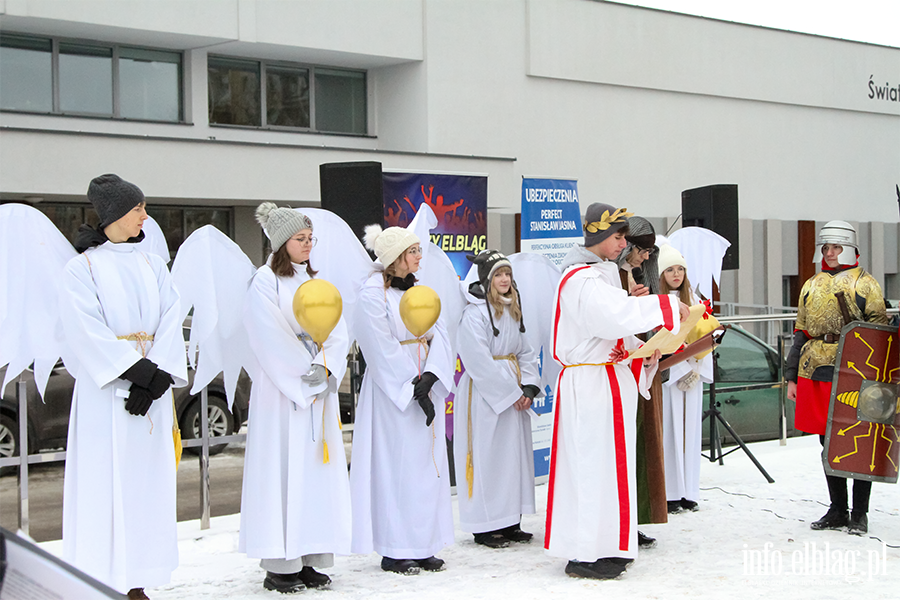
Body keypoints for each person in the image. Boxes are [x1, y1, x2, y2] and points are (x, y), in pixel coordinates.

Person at [59, 174, 188, 600]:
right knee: (107, 484)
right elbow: (83, 330)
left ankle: (136, 577)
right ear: (114, 214)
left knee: (145, 487)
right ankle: (102, 577)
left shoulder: (152, 263)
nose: (145, 217)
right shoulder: (83, 268)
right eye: (138, 209)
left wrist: (156, 377)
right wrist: (135, 371)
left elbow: (172, 317)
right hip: (107, 397)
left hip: (148, 393)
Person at [545, 202, 689, 580]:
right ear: (599, 237)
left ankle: (607, 545)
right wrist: (666, 306)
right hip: (591, 385)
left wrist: (643, 352)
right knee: (593, 466)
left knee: (610, 467)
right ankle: (586, 552)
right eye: (619, 236)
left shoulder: (603, 275)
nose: (624, 243)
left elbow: (616, 326)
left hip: (608, 379)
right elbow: (610, 316)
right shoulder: (580, 278)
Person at [239, 203, 351, 593]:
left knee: (313, 476)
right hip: (282, 391)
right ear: (281, 243)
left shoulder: (317, 281)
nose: (307, 245)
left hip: (317, 389)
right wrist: (301, 374)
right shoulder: (264, 281)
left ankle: (310, 555)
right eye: (300, 239)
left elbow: (338, 328)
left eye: (309, 239)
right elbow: (265, 334)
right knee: (284, 471)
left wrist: (328, 366)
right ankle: (280, 564)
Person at [350, 224, 454, 574]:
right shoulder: (371, 294)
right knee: (397, 466)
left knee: (427, 465)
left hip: (425, 381)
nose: (420, 257)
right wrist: (411, 387)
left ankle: (424, 543)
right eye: (414, 252)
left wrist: (433, 377)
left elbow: (441, 331)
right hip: (392, 393)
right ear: (395, 258)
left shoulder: (420, 290)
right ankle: (396, 547)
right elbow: (377, 345)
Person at [785, 220, 887, 535]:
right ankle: (837, 509)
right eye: (826, 247)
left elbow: (879, 332)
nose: (829, 253)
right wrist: (791, 375)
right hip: (815, 368)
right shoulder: (811, 284)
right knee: (827, 440)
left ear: (849, 247)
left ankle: (859, 513)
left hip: (858, 369)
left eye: (835, 247)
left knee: (859, 439)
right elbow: (801, 332)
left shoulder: (866, 284)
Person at [454, 250, 540, 549]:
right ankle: (486, 524)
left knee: (512, 457)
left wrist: (528, 386)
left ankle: (510, 520)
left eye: (508, 274)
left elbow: (526, 350)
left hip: (514, 390)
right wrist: (510, 393)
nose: (505, 280)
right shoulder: (474, 314)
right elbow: (477, 360)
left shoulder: (513, 309)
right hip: (485, 396)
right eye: (499, 275)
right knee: (488, 456)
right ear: (487, 280)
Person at [615, 216, 668, 539]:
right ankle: (622, 521)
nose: (646, 258)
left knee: (641, 447)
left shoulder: (633, 275)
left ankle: (634, 518)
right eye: (642, 251)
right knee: (624, 448)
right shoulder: (609, 278)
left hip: (643, 371)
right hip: (619, 372)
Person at [658, 244, 712, 514]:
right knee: (670, 431)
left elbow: (706, 335)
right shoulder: (658, 302)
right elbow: (662, 340)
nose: (676, 274)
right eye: (670, 269)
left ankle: (689, 490)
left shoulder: (694, 297)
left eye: (680, 269)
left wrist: (698, 367)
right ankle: (670, 492)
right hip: (672, 377)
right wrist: (679, 369)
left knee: (690, 432)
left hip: (693, 374)